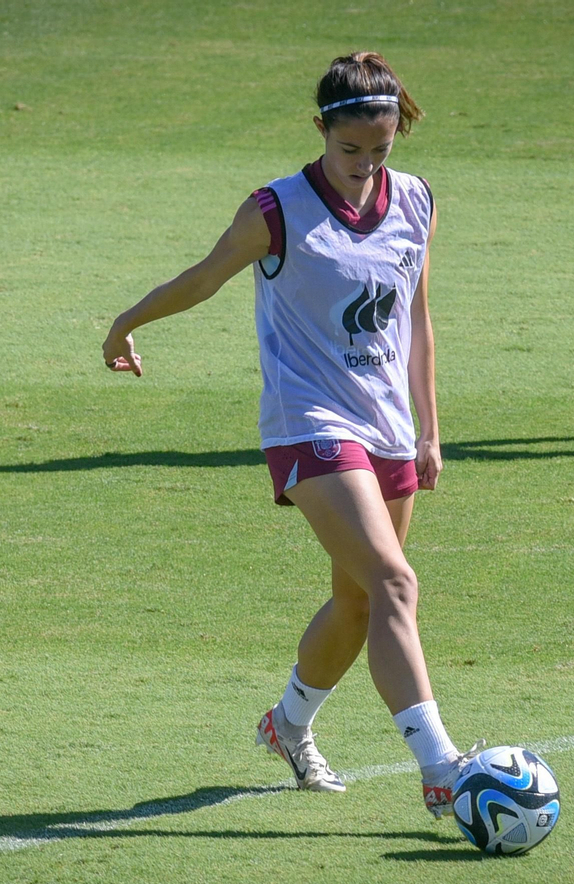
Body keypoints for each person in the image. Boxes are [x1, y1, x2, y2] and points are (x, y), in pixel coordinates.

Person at [102, 52, 483, 817]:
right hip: (308, 421)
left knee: (359, 604)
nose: (364, 166)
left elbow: (417, 319)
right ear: (320, 131)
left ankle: (287, 725)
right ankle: (441, 765)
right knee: (396, 581)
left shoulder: (416, 201)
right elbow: (203, 278)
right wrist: (127, 322)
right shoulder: (275, 211)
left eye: (379, 150)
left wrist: (431, 431)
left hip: (389, 428)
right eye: (349, 150)